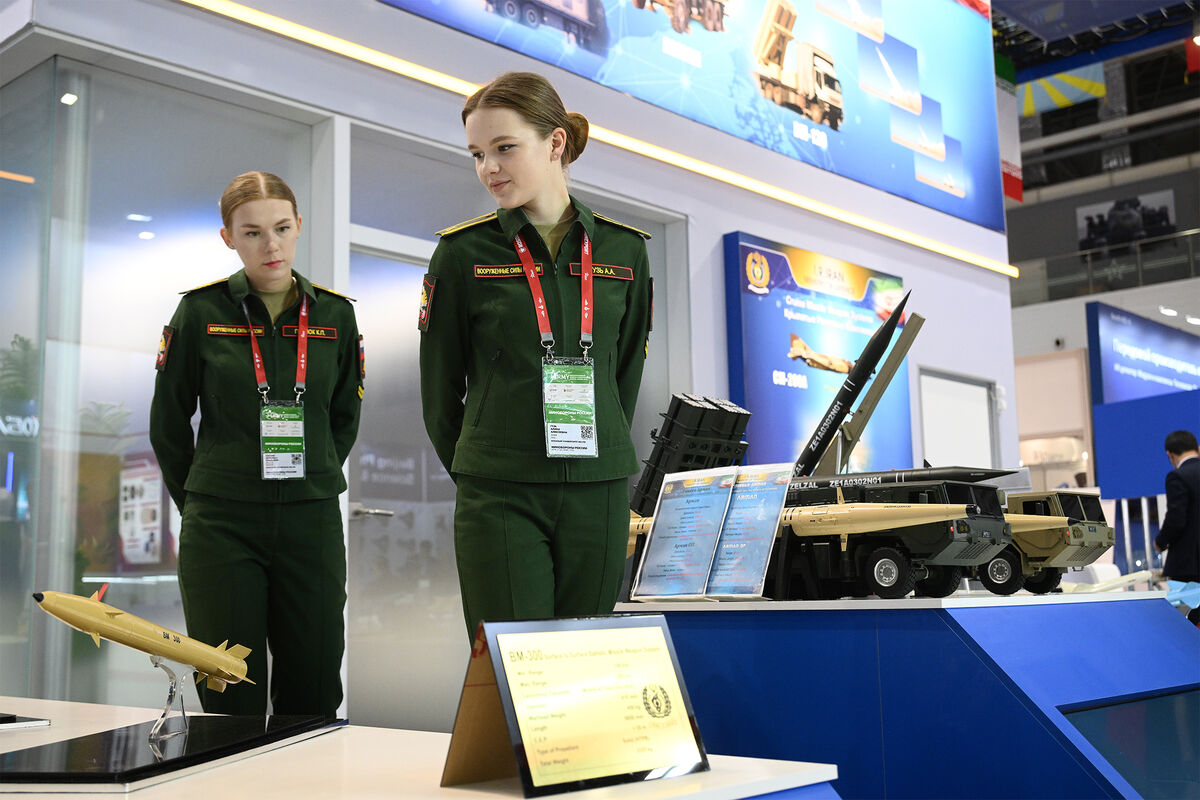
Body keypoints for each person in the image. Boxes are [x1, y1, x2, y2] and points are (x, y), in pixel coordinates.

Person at [419, 72, 653, 640]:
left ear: (555, 144)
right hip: (500, 491)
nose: (489, 168)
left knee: (584, 660)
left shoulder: (625, 250)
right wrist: (483, 468)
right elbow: (439, 390)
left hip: (598, 489)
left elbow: (623, 376)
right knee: (514, 659)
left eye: (504, 148)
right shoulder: (461, 253)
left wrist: (597, 451)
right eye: (477, 154)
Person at [150, 171, 364, 716]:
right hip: (222, 524)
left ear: (299, 227)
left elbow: (342, 418)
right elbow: (168, 423)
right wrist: (202, 501)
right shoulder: (200, 312)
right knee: (228, 691)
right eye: (252, 233)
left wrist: (309, 475)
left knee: (314, 687)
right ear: (228, 237)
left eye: (281, 228)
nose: (271, 245)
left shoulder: (336, 315)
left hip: (311, 520)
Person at [1155, 430, 1199, 583]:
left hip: (1190, 564)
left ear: (1170, 454)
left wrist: (1160, 542)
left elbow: (1176, 518)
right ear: (1198, 449)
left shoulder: (1178, 476)